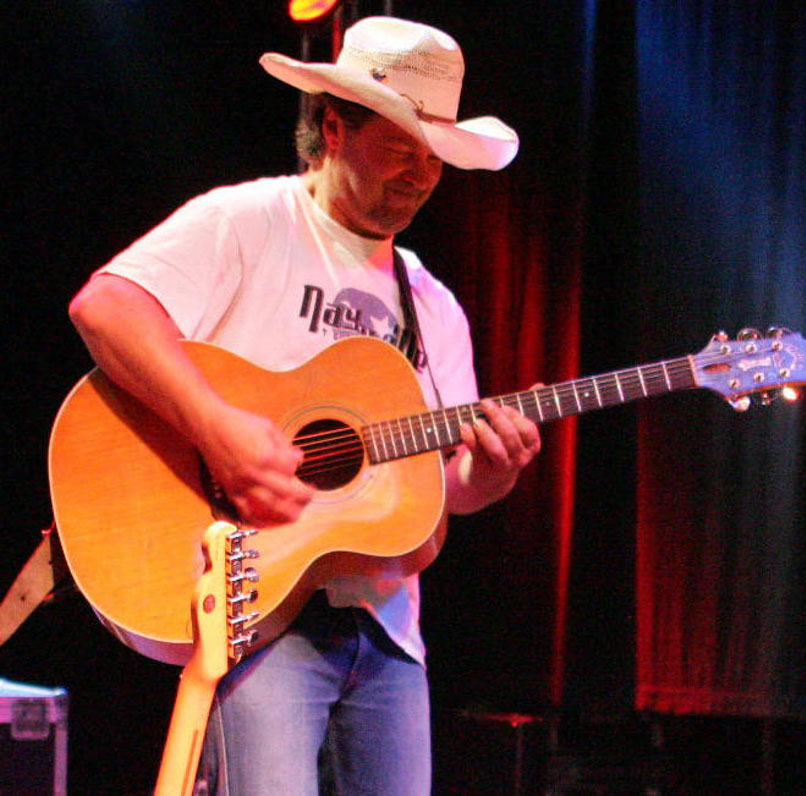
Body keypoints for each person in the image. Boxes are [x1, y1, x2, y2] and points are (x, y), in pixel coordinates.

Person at [67, 16, 541, 794]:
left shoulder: (432, 303)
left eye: (436, 158)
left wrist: (488, 480)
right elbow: (107, 306)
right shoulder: (249, 223)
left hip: (387, 637)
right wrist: (218, 429)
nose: (422, 174)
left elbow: (439, 493)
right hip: (257, 607)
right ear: (333, 125)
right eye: (401, 148)